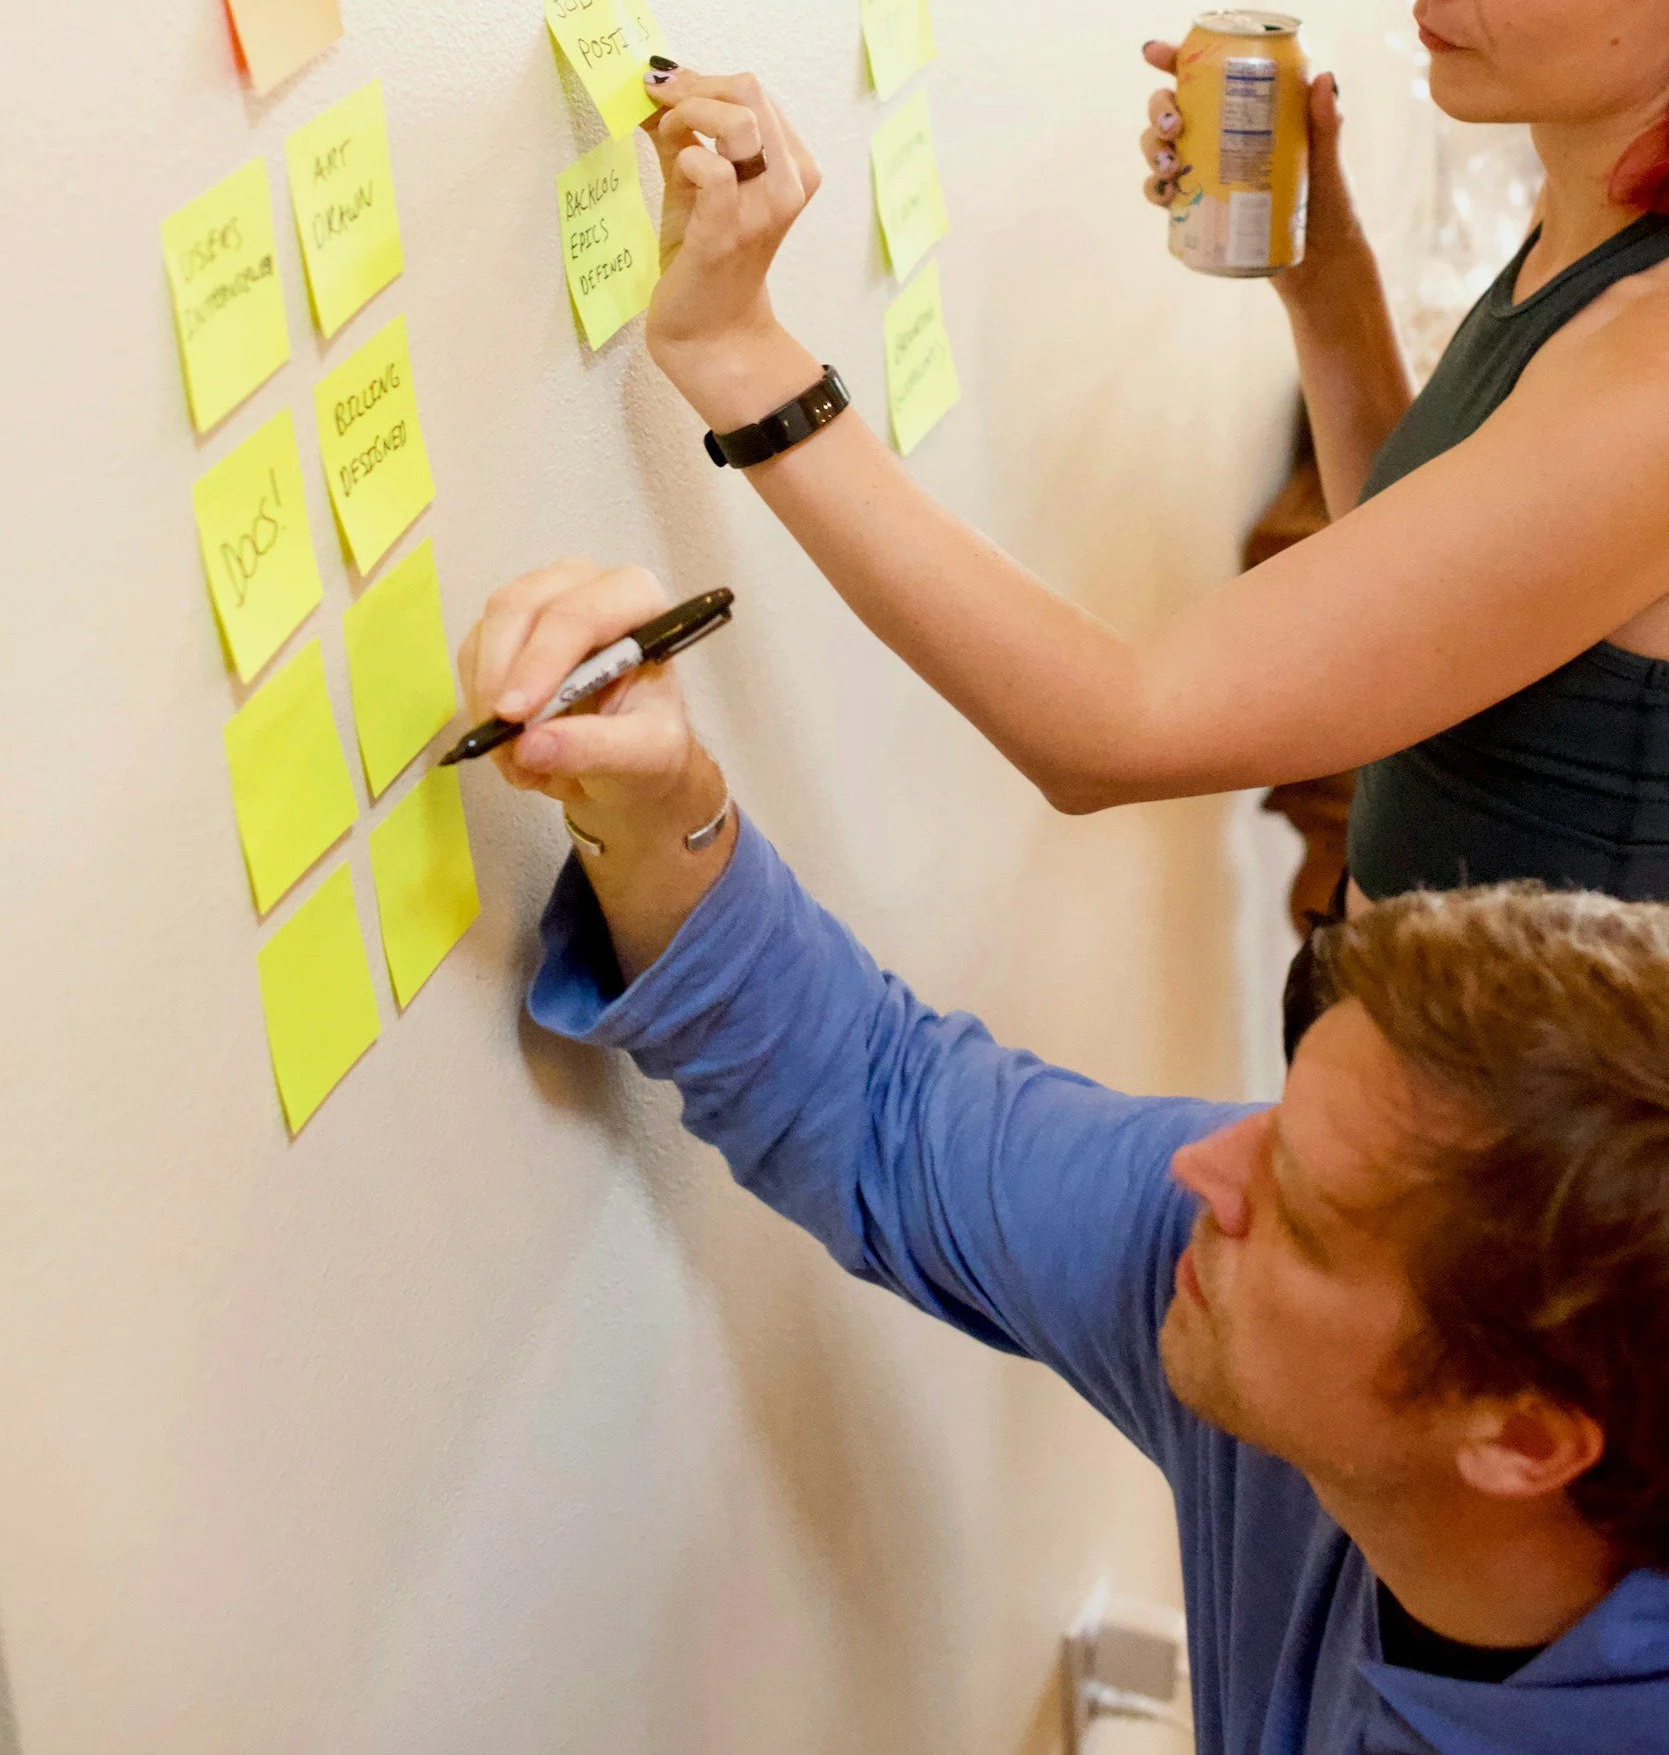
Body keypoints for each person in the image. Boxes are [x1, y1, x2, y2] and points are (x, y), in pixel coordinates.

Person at [630, 0, 1669, 1047]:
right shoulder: (1593, 201)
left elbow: (1109, 730)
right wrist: (1324, 275)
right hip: (1418, 1061)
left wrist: (745, 360)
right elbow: (1432, 601)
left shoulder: (1650, 371)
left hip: (1539, 1195)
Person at [460, 558, 1669, 1752]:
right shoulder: (1261, 1288)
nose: (1201, 1167)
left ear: (1521, 1438)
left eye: (1294, 1207)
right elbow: (888, 1110)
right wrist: (665, 804)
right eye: (1275, 1110)